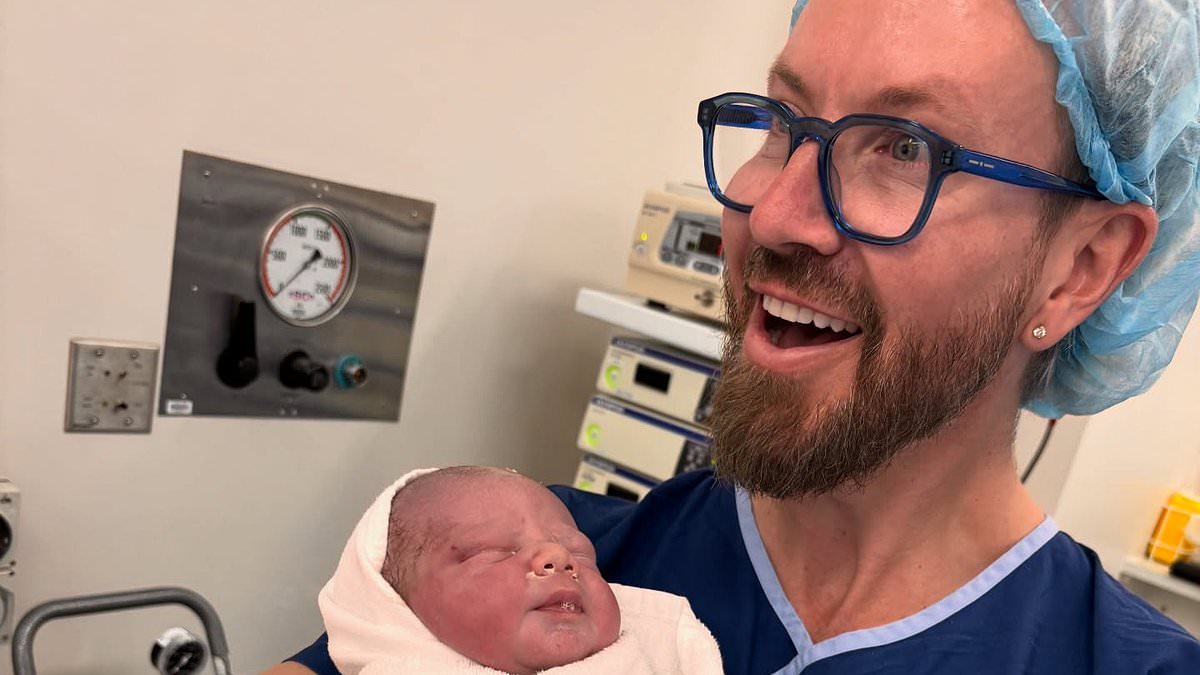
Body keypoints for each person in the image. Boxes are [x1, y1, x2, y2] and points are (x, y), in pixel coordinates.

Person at [267, 0, 1200, 672]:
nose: (774, 212)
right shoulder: (518, 572)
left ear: (1081, 267)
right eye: (782, 123)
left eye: (904, 146)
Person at [317, 466, 722, 675]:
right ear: (401, 612)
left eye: (579, 552)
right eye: (492, 551)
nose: (558, 556)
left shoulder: (656, 653)